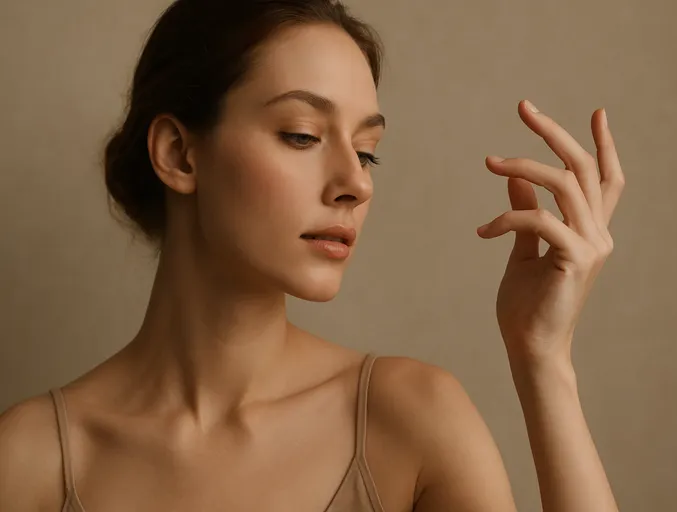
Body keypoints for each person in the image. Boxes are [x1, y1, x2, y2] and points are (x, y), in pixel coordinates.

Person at [0, 1, 625, 510]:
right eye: (301, 135)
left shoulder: (410, 417)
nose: (357, 182)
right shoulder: (31, 460)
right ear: (179, 154)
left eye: (368, 150)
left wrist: (542, 359)